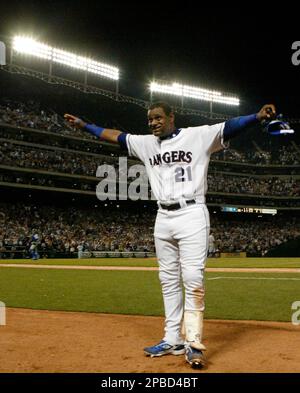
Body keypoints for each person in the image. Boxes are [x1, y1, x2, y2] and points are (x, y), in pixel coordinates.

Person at [64, 101, 276, 368]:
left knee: (193, 279)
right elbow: (114, 135)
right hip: (163, 217)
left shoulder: (196, 136)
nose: (152, 123)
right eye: (150, 119)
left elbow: (229, 127)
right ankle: (172, 338)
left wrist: (256, 117)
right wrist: (84, 125)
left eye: (157, 118)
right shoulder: (146, 143)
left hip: (191, 213)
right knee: (168, 280)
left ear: (171, 117)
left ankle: (194, 343)